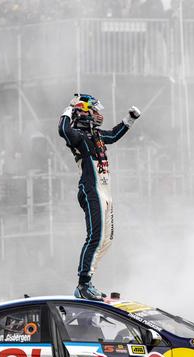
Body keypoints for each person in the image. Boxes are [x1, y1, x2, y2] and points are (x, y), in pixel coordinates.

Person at [58, 93, 141, 301]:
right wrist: (69, 109)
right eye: (94, 110)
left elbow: (113, 135)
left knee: (107, 239)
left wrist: (130, 119)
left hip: (105, 192)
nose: (98, 115)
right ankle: (83, 284)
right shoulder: (77, 135)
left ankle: (89, 281)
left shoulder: (95, 135)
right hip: (91, 190)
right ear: (83, 112)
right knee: (95, 237)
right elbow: (63, 130)